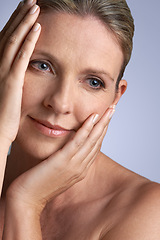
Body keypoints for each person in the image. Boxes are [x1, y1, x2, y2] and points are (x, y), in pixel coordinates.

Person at [0, 0, 160, 239]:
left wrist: (26, 203)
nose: (60, 103)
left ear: (116, 96)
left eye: (94, 82)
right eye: (42, 66)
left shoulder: (148, 213)